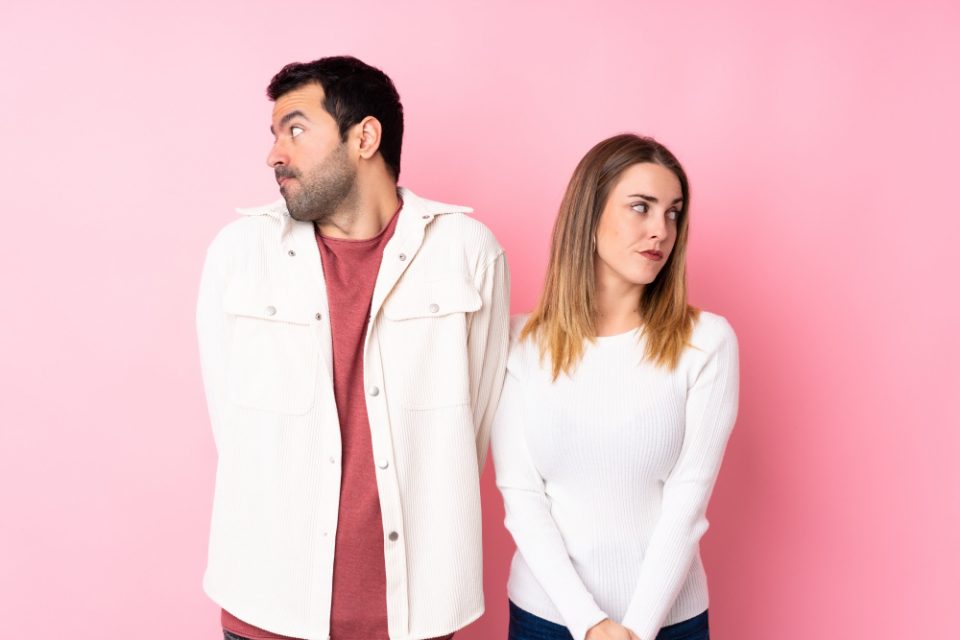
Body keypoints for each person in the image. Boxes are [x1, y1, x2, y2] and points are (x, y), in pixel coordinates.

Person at [196, 56, 510, 640]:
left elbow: (474, 429)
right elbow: (233, 429)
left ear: (364, 137)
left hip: (418, 613)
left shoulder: (468, 253)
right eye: (275, 134)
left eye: (295, 129)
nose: (274, 155)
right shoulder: (240, 254)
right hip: (266, 606)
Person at [491, 134, 739, 640]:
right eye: (641, 207)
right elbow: (522, 496)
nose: (661, 230)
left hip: (669, 623)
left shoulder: (706, 342)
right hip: (546, 619)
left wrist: (636, 629)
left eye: (673, 213)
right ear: (589, 214)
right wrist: (589, 624)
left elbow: (687, 502)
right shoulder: (519, 343)